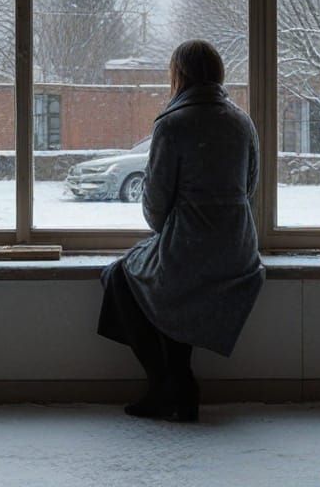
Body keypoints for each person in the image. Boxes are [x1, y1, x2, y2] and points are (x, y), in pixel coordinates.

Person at [97, 39, 265, 422]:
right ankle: (177, 384)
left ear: (179, 75)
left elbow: (155, 209)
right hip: (238, 250)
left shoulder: (172, 125)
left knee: (124, 278)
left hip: (190, 246)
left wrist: (184, 222)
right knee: (176, 286)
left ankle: (167, 382)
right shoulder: (241, 122)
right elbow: (249, 186)